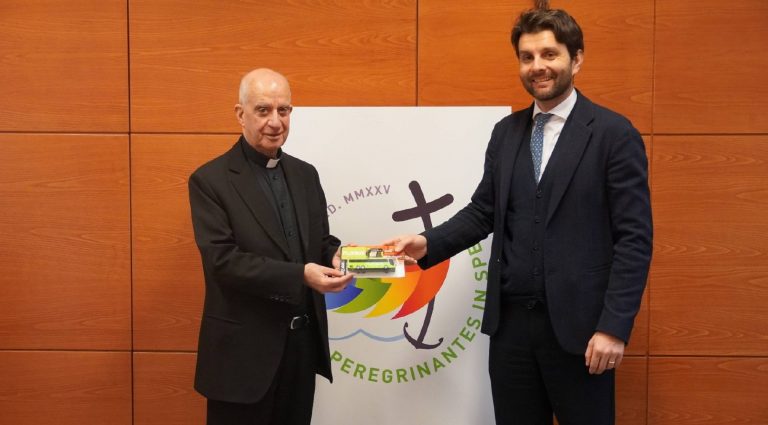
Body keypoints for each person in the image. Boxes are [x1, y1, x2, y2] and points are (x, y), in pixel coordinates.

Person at [386, 5, 652, 425]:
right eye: (527, 57)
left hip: (583, 332)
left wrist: (613, 327)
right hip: (510, 332)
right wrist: (426, 243)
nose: (537, 66)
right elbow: (483, 211)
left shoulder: (614, 135)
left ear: (576, 59)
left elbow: (634, 240)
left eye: (549, 54)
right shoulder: (506, 134)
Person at [188, 68, 353, 425]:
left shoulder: (306, 174)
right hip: (242, 358)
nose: (276, 122)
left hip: (301, 349)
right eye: (263, 110)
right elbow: (223, 261)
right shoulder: (209, 180)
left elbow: (319, 241)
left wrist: (335, 255)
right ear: (240, 114)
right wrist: (302, 275)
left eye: (284, 110)